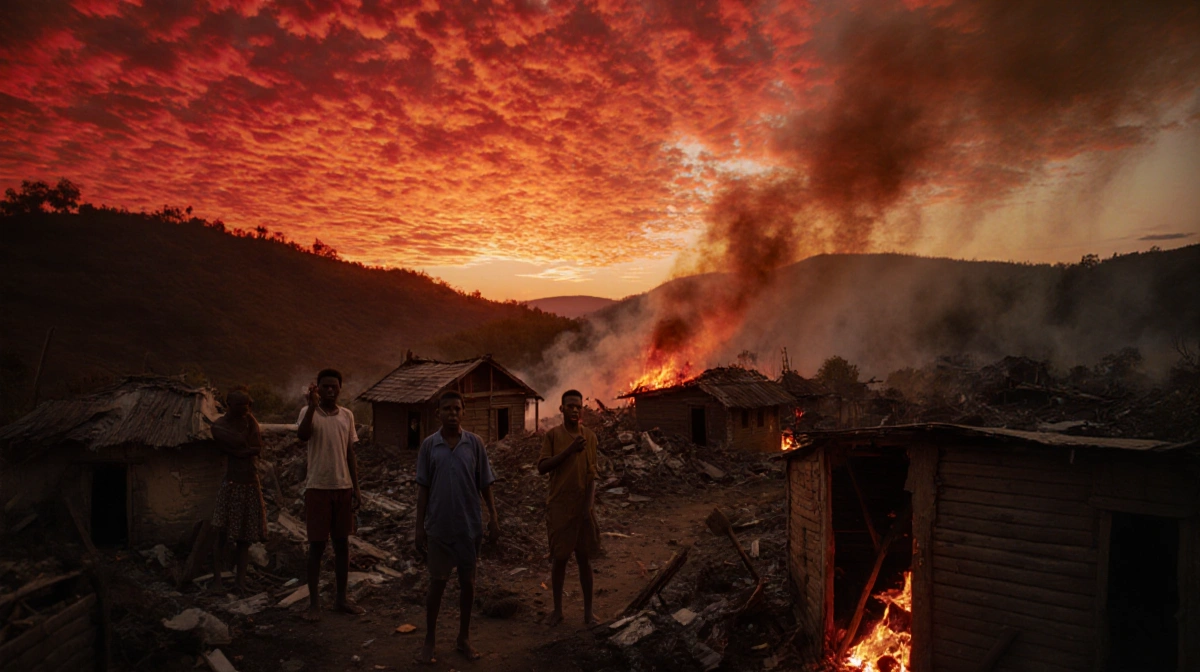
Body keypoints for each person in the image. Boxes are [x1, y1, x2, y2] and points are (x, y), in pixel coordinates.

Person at [414, 391, 500, 664]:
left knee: (468, 584)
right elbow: (423, 489)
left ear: (464, 412)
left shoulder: (474, 444)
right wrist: (419, 528)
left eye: (457, 409)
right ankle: (430, 640)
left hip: (469, 527)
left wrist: (494, 518)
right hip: (438, 528)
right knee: (437, 585)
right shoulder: (430, 446)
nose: (452, 413)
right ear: (438, 413)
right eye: (447, 409)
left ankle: (463, 638)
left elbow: (485, 484)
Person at [296, 368, 364, 621]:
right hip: (317, 488)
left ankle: (341, 600)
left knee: (342, 545)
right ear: (318, 388)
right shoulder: (308, 413)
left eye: (334, 386)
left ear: (340, 388)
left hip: (343, 488)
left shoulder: (347, 415)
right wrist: (311, 406)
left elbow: (350, 454)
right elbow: (302, 436)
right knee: (316, 546)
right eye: (325, 386)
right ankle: (314, 604)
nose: (330, 390)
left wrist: (356, 488)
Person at [537, 389, 601, 626]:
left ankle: (588, 613)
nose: (575, 410)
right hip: (560, 507)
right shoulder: (553, 436)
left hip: (583, 507)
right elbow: (542, 467)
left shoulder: (591, 437)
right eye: (570, 406)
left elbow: (592, 475)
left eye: (578, 406)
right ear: (561, 409)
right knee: (560, 559)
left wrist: (588, 507)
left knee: (584, 559)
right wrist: (570, 450)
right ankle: (558, 611)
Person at [210, 388, 267, 595]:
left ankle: (240, 582)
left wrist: (241, 450)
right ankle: (217, 581)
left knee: (245, 538)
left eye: (247, 406)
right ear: (229, 406)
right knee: (222, 534)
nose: (246, 410)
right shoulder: (219, 426)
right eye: (241, 407)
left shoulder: (249, 421)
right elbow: (237, 445)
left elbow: (256, 448)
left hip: (250, 483)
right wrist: (242, 448)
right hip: (232, 484)